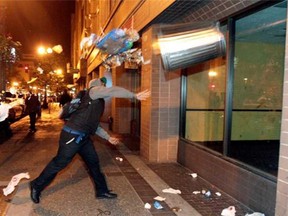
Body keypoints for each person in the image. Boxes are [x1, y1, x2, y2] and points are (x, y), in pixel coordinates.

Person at [29, 77, 150, 203]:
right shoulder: (93, 92)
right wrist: (133, 95)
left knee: (93, 163)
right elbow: (112, 91)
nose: (104, 87)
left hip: (84, 137)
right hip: (72, 136)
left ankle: (102, 191)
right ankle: (36, 185)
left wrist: (108, 138)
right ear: (97, 85)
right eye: (102, 84)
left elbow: (94, 126)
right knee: (59, 163)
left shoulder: (94, 102)